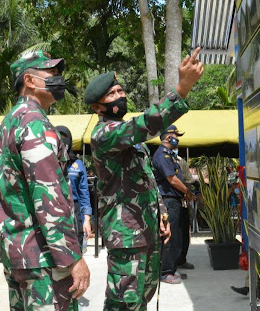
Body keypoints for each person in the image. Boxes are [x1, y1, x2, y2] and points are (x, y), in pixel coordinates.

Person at [84, 47, 203, 310]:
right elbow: (144, 124)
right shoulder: (105, 135)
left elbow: (147, 180)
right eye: (112, 94)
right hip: (125, 235)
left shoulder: (131, 142)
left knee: (141, 297)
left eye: (120, 91)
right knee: (124, 302)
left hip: (146, 230)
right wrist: (181, 89)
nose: (120, 96)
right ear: (97, 106)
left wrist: (161, 216)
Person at [0, 51, 90, 311]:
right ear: (30, 81)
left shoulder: (5, 125)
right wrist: (72, 258)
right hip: (45, 259)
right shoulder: (34, 123)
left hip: (18, 255)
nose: (59, 80)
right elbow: (49, 197)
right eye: (52, 74)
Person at [152, 125, 196, 284]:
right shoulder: (162, 155)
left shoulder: (169, 156)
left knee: (176, 236)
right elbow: (172, 179)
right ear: (168, 137)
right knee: (169, 237)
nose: (177, 138)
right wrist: (187, 192)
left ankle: (171, 268)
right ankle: (165, 272)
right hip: (167, 201)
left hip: (173, 201)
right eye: (176, 135)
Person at [56, 126, 93, 249]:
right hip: (54, 211)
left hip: (75, 213)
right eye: (59, 137)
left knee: (77, 252)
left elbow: (84, 195)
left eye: (64, 138)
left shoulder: (78, 164)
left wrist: (86, 220)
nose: (62, 141)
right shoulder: (46, 163)